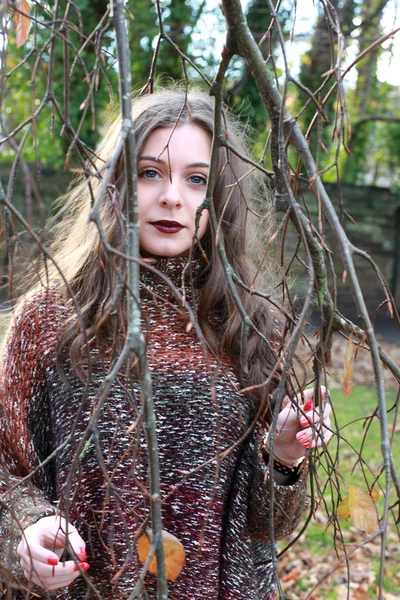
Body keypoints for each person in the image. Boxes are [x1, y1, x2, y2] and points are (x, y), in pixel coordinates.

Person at [0, 88, 332, 599]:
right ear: (115, 185)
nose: (172, 197)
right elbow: (5, 469)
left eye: (197, 179)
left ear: (220, 198)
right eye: (150, 172)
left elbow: (268, 526)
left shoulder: (255, 330)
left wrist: (283, 456)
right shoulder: (51, 320)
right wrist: (25, 532)